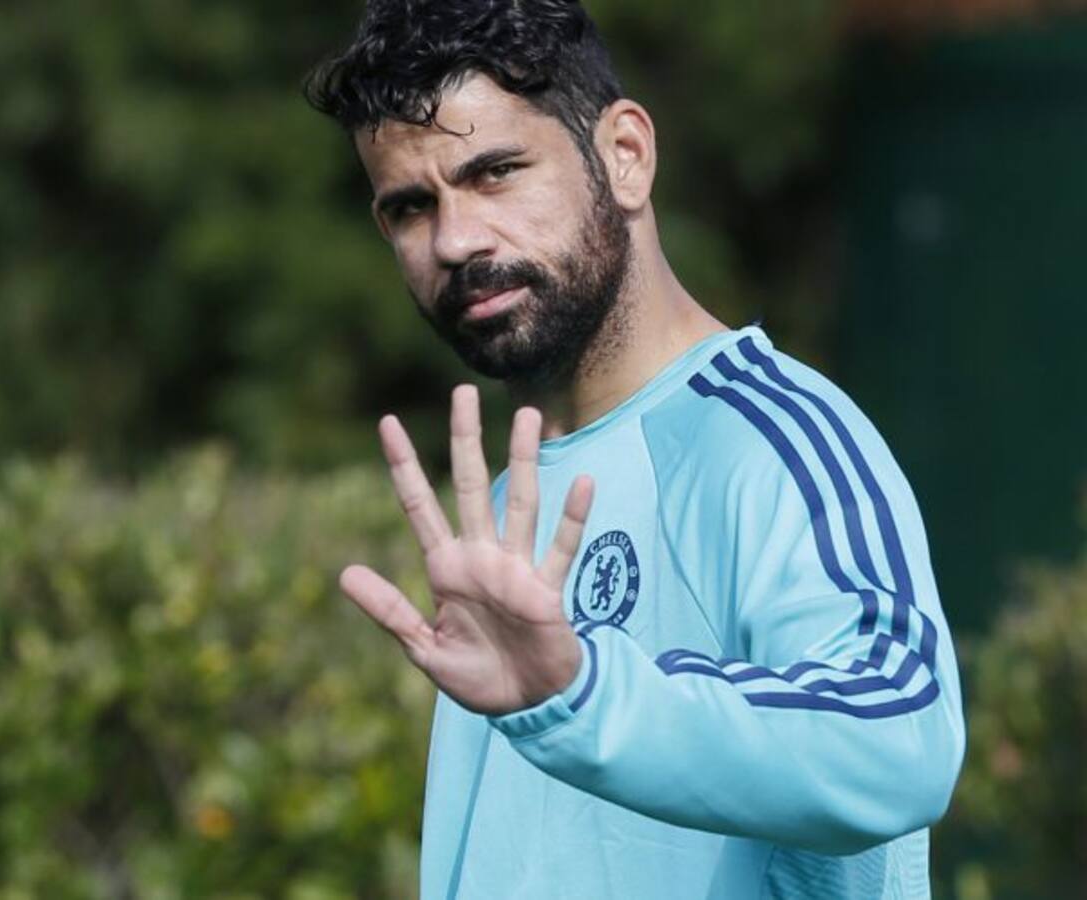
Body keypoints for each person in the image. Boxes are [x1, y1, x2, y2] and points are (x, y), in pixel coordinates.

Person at [305, 2, 965, 897]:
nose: (455, 240)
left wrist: (584, 696)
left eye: (495, 172)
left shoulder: (769, 438)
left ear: (625, 154)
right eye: (412, 207)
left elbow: (902, 742)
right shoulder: (507, 504)